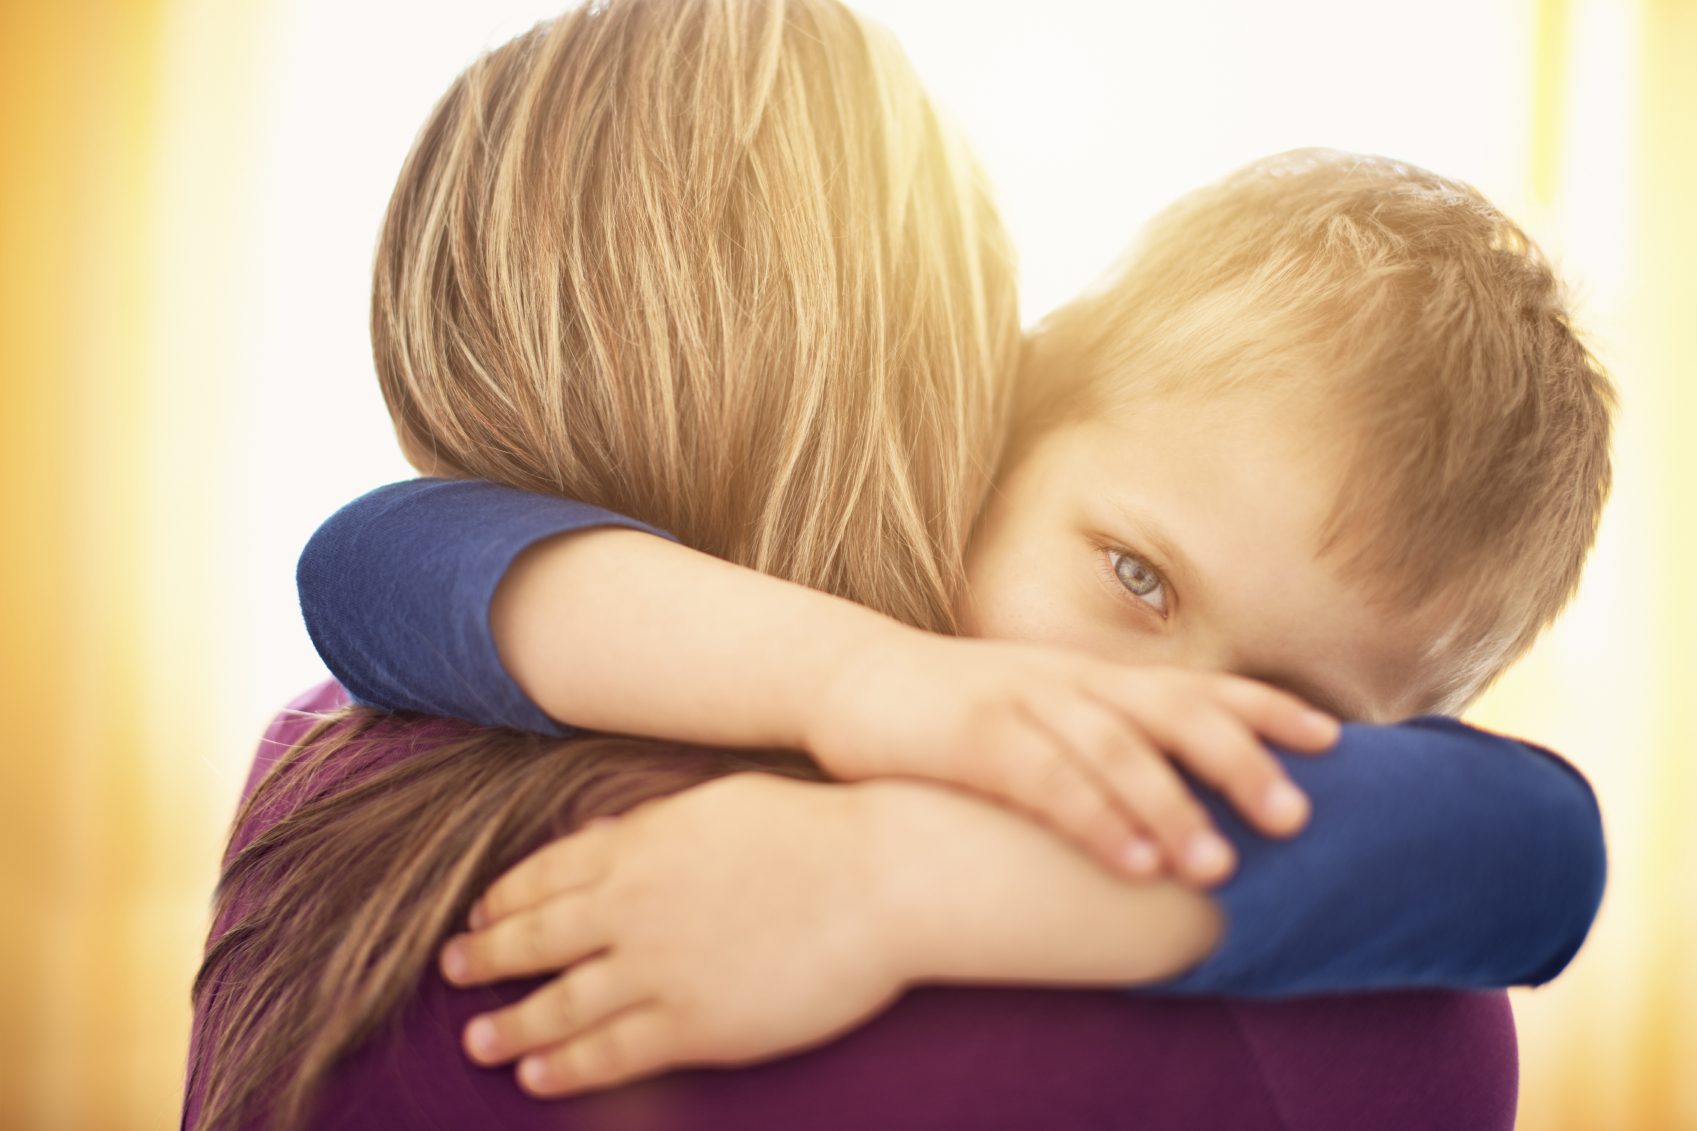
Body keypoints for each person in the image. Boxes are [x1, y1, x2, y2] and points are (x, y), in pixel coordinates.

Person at [186, 3, 1608, 1130]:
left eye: (1287, 702)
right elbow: (376, 559)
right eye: (1135, 576)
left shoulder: (314, 768)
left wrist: (888, 870)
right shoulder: (1345, 1019)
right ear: (1006, 407)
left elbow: (1539, 849)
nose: (1155, 714)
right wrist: (868, 681)